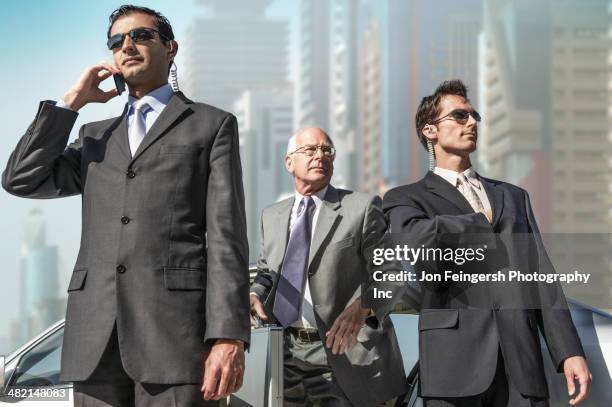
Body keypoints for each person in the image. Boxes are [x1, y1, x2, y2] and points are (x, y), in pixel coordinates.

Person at [2, 5, 249, 406]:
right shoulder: (95, 137)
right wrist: (71, 103)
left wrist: (228, 336)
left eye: (141, 36)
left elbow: (227, 237)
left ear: (171, 48)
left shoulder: (210, 125)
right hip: (93, 342)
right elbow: (20, 179)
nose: (127, 46)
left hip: (176, 340)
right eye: (116, 42)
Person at [382, 80, 592, 407]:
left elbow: (542, 279)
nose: (472, 122)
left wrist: (569, 352)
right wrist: (480, 222)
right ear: (430, 131)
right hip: (453, 368)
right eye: (460, 115)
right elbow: (415, 242)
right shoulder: (405, 198)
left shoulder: (513, 196)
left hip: (521, 367)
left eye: (474, 115)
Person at [249, 127, 406, 406]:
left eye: (326, 150)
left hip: (346, 354)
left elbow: (393, 274)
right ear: (289, 162)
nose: (319, 156)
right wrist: (255, 294)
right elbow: (266, 272)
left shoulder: (362, 207)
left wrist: (362, 307)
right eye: (310, 150)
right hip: (285, 356)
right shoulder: (271, 216)